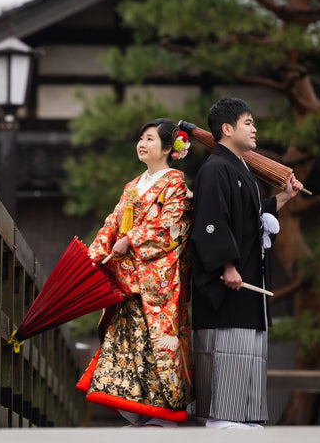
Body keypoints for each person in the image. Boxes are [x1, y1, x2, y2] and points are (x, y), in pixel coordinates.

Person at [186, 98, 303, 429]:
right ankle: (224, 422)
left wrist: (283, 197)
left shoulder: (243, 170)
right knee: (226, 360)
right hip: (227, 287)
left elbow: (253, 219)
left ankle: (245, 422)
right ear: (227, 128)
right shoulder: (215, 169)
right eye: (248, 122)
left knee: (247, 358)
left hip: (248, 283)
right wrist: (226, 265)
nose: (254, 129)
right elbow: (210, 223)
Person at [76, 118, 194, 427]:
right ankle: (139, 414)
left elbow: (172, 227)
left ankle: (164, 416)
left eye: (150, 139)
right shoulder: (133, 186)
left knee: (156, 347)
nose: (142, 144)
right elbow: (112, 223)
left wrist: (131, 240)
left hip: (155, 284)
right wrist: (92, 258)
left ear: (168, 148)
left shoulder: (175, 184)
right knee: (127, 346)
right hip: (127, 281)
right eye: (141, 138)